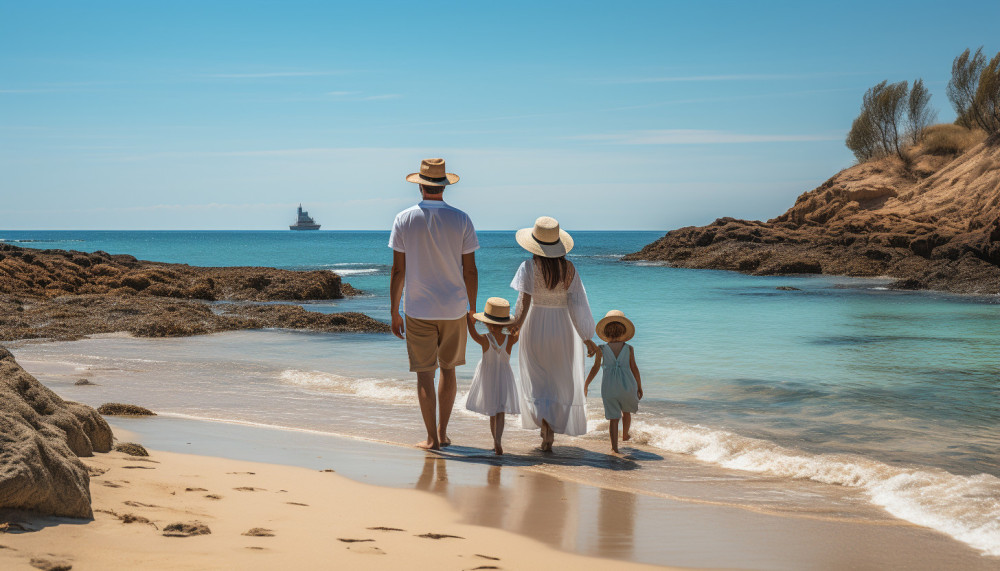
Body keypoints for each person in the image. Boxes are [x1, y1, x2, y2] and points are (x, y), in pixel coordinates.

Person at [389, 158, 479, 450]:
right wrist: (472, 308)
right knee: (449, 370)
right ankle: (442, 433)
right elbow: (470, 270)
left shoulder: (403, 219)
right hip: (453, 307)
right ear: (444, 186)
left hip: (417, 308)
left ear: (420, 185)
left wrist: (393, 310)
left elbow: (398, 270)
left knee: (425, 373)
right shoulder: (462, 219)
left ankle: (431, 439)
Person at [509, 216, 597, 452]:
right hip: (563, 328)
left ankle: (544, 427)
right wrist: (587, 336)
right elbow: (577, 305)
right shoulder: (569, 269)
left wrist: (516, 325)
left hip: (535, 324)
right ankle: (551, 430)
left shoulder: (528, 266)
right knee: (559, 379)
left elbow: (523, 302)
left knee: (538, 379)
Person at [465, 297, 521, 456]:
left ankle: (494, 442)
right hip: (504, 377)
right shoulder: (510, 339)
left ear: (486, 323)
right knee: (501, 410)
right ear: (504, 324)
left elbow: (473, 334)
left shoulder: (484, 339)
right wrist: (516, 326)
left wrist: (468, 320)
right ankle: (499, 440)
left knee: (492, 411)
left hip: (488, 377)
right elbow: (518, 332)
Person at [585, 310, 643, 454]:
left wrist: (585, 384)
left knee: (613, 418)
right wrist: (639, 386)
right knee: (626, 412)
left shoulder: (601, 349)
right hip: (627, 386)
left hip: (609, 388)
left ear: (605, 333)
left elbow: (595, 368)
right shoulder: (629, 348)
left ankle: (614, 447)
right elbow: (634, 368)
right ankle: (625, 435)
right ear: (624, 332)